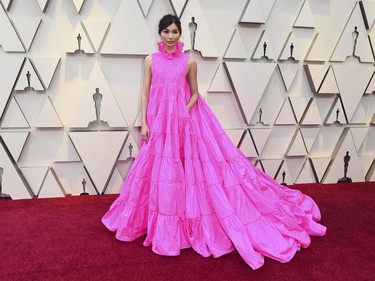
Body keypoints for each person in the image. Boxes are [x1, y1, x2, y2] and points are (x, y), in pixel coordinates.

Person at [102, 14, 326, 270]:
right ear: (160, 34)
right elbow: (144, 92)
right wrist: (144, 122)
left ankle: (183, 223)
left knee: (188, 171)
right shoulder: (150, 61)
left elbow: (196, 93)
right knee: (159, 172)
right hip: (157, 121)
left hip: (184, 123)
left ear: (180, 34)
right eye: (166, 32)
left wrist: (183, 112)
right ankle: (158, 221)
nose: (171, 36)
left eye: (175, 31)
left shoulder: (189, 61)